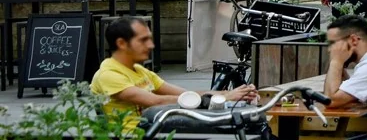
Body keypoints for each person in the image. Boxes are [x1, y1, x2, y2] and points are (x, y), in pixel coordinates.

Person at [90, 17, 257, 133]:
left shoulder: (140, 71)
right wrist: (221, 99)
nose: (151, 45)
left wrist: (230, 95)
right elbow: (155, 101)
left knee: (242, 122)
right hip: (138, 134)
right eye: (143, 40)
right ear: (121, 43)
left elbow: (184, 94)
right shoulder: (108, 74)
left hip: (156, 127)